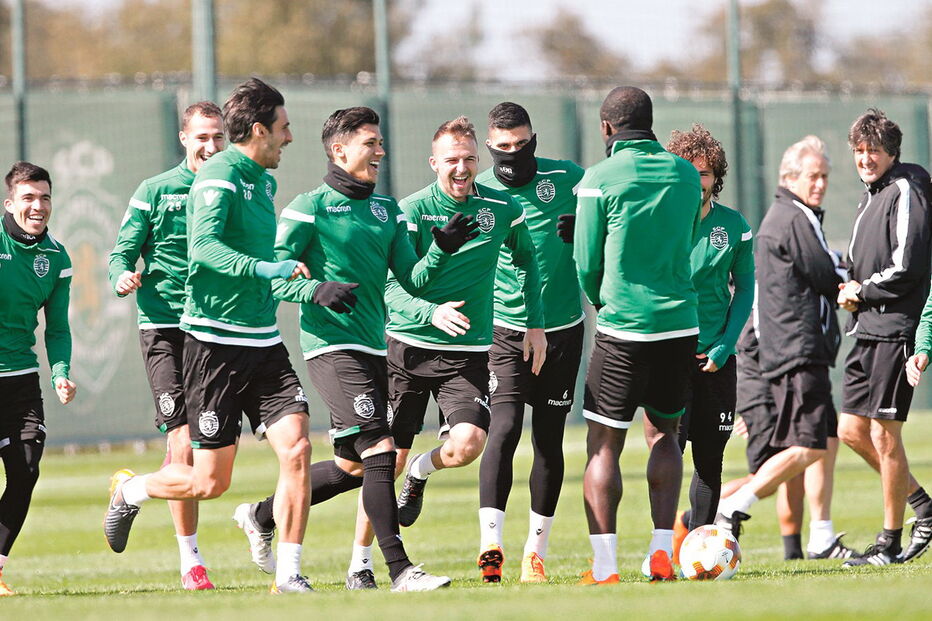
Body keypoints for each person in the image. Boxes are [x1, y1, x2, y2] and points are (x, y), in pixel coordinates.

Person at [235, 106, 473, 592]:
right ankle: (399, 570)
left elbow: (411, 279)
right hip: (330, 347)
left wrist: (440, 249)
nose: (380, 151)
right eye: (371, 143)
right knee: (382, 451)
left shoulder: (388, 210)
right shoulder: (309, 207)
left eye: (380, 142)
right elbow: (274, 280)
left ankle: (260, 515)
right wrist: (314, 290)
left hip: (373, 348)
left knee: (354, 466)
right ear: (339, 150)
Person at [104, 78, 316, 594]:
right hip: (198, 337)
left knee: (297, 449)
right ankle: (136, 496)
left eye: (217, 135)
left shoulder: (262, 182)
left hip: (262, 340)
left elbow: (265, 264)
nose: (290, 138)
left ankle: (289, 574)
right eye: (284, 128)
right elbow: (203, 250)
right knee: (205, 477)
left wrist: (310, 288)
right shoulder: (207, 179)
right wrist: (121, 274)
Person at [348, 116, 545, 577]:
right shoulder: (410, 211)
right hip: (408, 350)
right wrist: (429, 312)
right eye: (451, 160)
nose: (461, 168)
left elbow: (527, 260)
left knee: (469, 443)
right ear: (434, 163)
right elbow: (389, 286)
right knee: (384, 462)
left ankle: (422, 470)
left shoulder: (501, 208)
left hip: (468, 354)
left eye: (469, 159)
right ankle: (360, 564)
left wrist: (535, 324)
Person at [574, 86, 702, 584]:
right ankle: (662, 554)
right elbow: (687, 237)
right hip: (680, 325)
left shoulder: (598, 178)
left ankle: (605, 567)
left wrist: (601, 300)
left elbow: (587, 260)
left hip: (623, 327)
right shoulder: (686, 174)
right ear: (650, 123)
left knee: (604, 443)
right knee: (665, 434)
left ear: (607, 128)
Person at [107, 101, 225, 590]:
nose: (210, 146)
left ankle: (133, 489)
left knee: (203, 453)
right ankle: (191, 563)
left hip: (214, 329)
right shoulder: (155, 190)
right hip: (163, 328)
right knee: (182, 441)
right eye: (202, 137)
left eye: (218, 136)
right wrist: (121, 276)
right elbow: (121, 252)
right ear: (184, 139)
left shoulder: (235, 189)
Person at [715, 136, 849, 554]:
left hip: (803, 352)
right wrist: (855, 280)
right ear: (789, 178)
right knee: (804, 446)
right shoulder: (792, 217)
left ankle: (820, 536)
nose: (820, 184)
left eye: (824, 176)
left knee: (824, 441)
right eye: (813, 176)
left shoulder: (798, 216)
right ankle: (730, 506)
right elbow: (826, 274)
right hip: (795, 353)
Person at [474, 102, 585, 583]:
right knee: (503, 429)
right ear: (489, 146)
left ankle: (534, 553)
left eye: (522, 144)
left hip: (564, 329)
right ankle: (490, 547)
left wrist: (586, 231)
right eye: (503, 147)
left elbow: (612, 219)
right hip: (506, 330)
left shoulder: (569, 177)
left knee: (549, 439)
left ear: (534, 139)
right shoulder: (479, 190)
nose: (513, 153)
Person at [838, 108, 932, 566]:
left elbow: (906, 265)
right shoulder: (869, 196)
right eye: (859, 150)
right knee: (850, 430)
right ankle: (924, 507)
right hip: (866, 328)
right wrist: (849, 290)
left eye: (873, 150)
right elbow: (860, 262)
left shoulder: (905, 189)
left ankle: (888, 543)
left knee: (883, 433)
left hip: (895, 330)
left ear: (891, 152)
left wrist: (863, 290)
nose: (865, 158)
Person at [661, 124, 753, 564]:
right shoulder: (658, 222)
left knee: (710, 459)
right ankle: (660, 550)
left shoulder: (734, 226)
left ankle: (699, 551)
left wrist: (724, 347)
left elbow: (745, 290)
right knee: (669, 453)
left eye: (705, 172)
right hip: (671, 357)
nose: (698, 180)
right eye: (689, 171)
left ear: (717, 177)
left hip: (717, 359)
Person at [0, 162, 76, 596]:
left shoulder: (57, 258)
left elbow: (58, 329)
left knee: (26, 470)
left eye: (45, 197)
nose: (38, 206)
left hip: (22, 381)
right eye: (28, 197)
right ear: (10, 203)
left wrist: (61, 372)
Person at [721, 317, 855, 561]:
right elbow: (750, 345)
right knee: (764, 477)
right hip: (763, 388)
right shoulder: (760, 298)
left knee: (795, 469)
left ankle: (794, 553)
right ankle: (693, 518)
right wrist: (754, 405)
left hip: (782, 382)